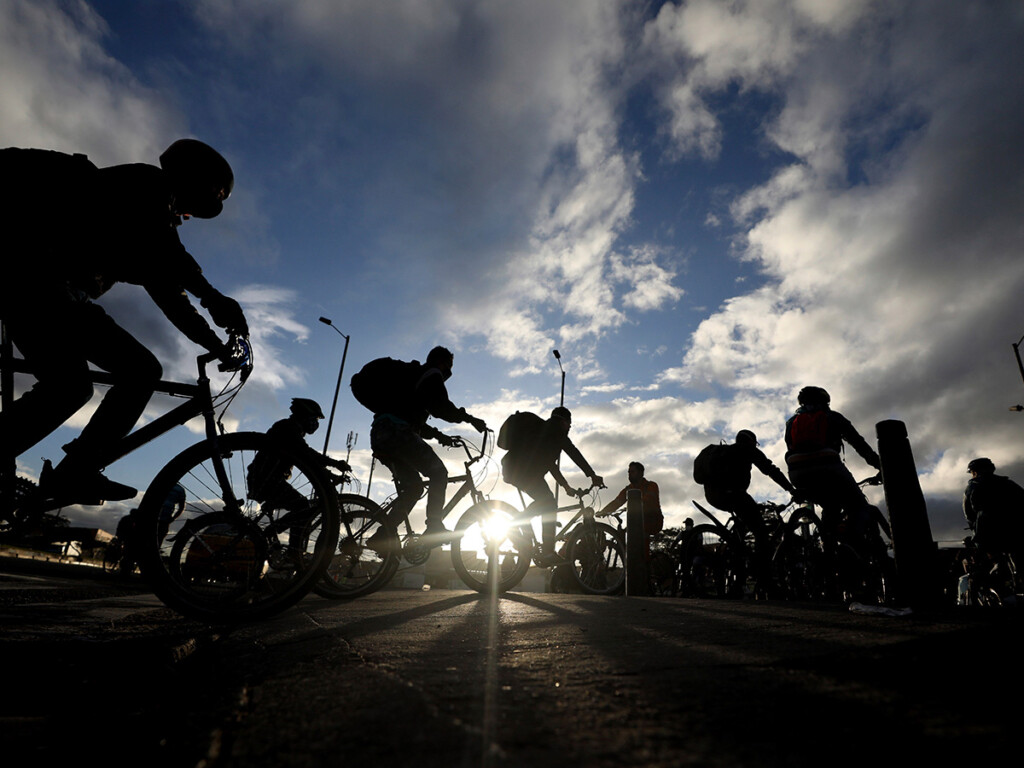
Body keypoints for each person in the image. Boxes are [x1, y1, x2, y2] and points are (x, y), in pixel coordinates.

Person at [0, 139, 248, 505]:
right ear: (193, 182)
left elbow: (171, 295)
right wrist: (212, 296)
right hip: (34, 283)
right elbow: (170, 254)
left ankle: (74, 471)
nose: (187, 217)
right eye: (198, 205)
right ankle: (74, 472)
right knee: (79, 385)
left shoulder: (149, 224)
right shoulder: (146, 185)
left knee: (133, 371)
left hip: (56, 294)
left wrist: (214, 344)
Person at [368, 347, 487, 544]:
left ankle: (383, 534)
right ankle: (434, 525)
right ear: (440, 362)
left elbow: (413, 419)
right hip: (398, 432)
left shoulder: (414, 379)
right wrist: (469, 418)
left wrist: (440, 436)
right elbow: (441, 407)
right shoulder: (432, 374)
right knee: (438, 472)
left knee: (414, 488)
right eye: (448, 365)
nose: (449, 371)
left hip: (382, 434)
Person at [500, 406, 604, 566]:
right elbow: (574, 453)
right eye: (569, 423)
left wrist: (566, 486)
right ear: (563, 421)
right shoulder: (556, 433)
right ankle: (536, 542)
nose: (570, 427)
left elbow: (550, 464)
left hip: (520, 470)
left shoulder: (547, 432)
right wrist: (592, 475)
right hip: (521, 471)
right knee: (548, 503)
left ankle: (533, 538)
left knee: (548, 502)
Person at [246, 398, 351, 548]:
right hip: (267, 480)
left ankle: (274, 536)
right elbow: (306, 454)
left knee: (301, 507)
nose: (316, 423)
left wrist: (330, 475)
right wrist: (335, 464)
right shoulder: (287, 428)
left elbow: (307, 460)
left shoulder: (291, 429)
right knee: (303, 508)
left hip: (267, 479)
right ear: (304, 415)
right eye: (314, 418)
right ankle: (292, 550)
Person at [784, 386, 881, 545]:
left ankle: (828, 549)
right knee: (859, 507)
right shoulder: (833, 417)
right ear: (825, 401)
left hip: (797, 473)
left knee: (830, 506)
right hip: (829, 469)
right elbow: (859, 444)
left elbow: (790, 447)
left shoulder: (791, 422)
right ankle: (852, 545)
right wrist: (880, 465)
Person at [701, 430, 795, 588]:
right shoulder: (748, 450)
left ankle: (738, 576)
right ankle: (765, 579)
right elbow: (770, 469)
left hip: (713, 495)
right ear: (751, 442)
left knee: (741, 534)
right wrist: (791, 489)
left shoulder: (725, 451)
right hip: (733, 494)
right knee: (761, 531)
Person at [962, 458, 1024, 563]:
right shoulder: (1009, 484)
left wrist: (976, 531)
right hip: (1016, 533)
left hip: (989, 537)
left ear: (974, 472)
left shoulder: (972, 488)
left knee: (995, 564)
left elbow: (969, 514)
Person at [598, 461, 664, 547]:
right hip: (637, 521)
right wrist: (604, 511)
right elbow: (617, 501)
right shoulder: (628, 489)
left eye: (632, 472)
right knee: (624, 534)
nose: (629, 474)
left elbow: (649, 501)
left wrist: (631, 505)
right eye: (628, 472)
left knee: (637, 536)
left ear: (641, 473)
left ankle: (644, 559)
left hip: (653, 520)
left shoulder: (651, 485)